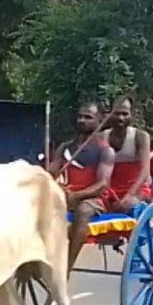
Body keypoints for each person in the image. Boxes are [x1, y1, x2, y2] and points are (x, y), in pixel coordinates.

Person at [48, 102, 116, 269]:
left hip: (94, 199)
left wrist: (76, 196)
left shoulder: (106, 151)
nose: (82, 120)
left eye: (88, 117)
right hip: (68, 196)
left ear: (98, 120)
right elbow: (51, 173)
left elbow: (102, 185)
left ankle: (67, 267)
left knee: (83, 210)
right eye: (79, 116)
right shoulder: (65, 148)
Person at [100, 96, 152, 213]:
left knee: (129, 205)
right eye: (116, 113)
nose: (120, 118)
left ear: (131, 115)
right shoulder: (101, 137)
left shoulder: (140, 136)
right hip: (109, 192)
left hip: (137, 191)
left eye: (125, 114)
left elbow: (145, 171)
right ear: (110, 113)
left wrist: (129, 195)